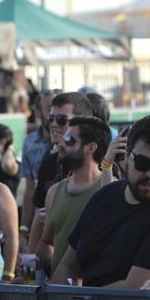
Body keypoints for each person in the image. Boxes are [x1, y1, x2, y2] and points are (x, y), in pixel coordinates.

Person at [51, 114, 150, 289]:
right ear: (126, 158)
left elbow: (133, 295)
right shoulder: (104, 198)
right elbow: (67, 266)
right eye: (142, 163)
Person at [36, 116, 111, 274]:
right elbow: (47, 242)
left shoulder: (110, 189)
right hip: (59, 294)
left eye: (69, 140)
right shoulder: (54, 191)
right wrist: (32, 261)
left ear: (91, 148)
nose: (61, 144)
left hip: (93, 294)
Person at [26, 92, 93, 266]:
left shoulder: (98, 165)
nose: (54, 124)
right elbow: (40, 215)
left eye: (62, 120)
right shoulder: (48, 161)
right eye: (51, 118)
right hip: (53, 266)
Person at [18, 91, 55, 244]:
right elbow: (30, 189)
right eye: (49, 109)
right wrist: (24, 229)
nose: (54, 115)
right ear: (38, 113)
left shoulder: (72, 142)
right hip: (38, 225)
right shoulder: (30, 143)